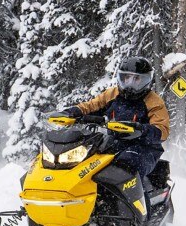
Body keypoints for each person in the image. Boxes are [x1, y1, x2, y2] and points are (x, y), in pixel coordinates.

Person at [53, 56, 170, 188]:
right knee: (85, 164)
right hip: (114, 143)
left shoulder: (153, 101)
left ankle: (141, 207)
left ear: (146, 81)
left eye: (136, 79)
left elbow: (162, 131)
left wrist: (141, 130)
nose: (130, 83)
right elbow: (91, 106)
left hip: (145, 148)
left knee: (128, 168)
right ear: (121, 78)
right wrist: (72, 112)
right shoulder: (113, 94)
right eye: (127, 78)